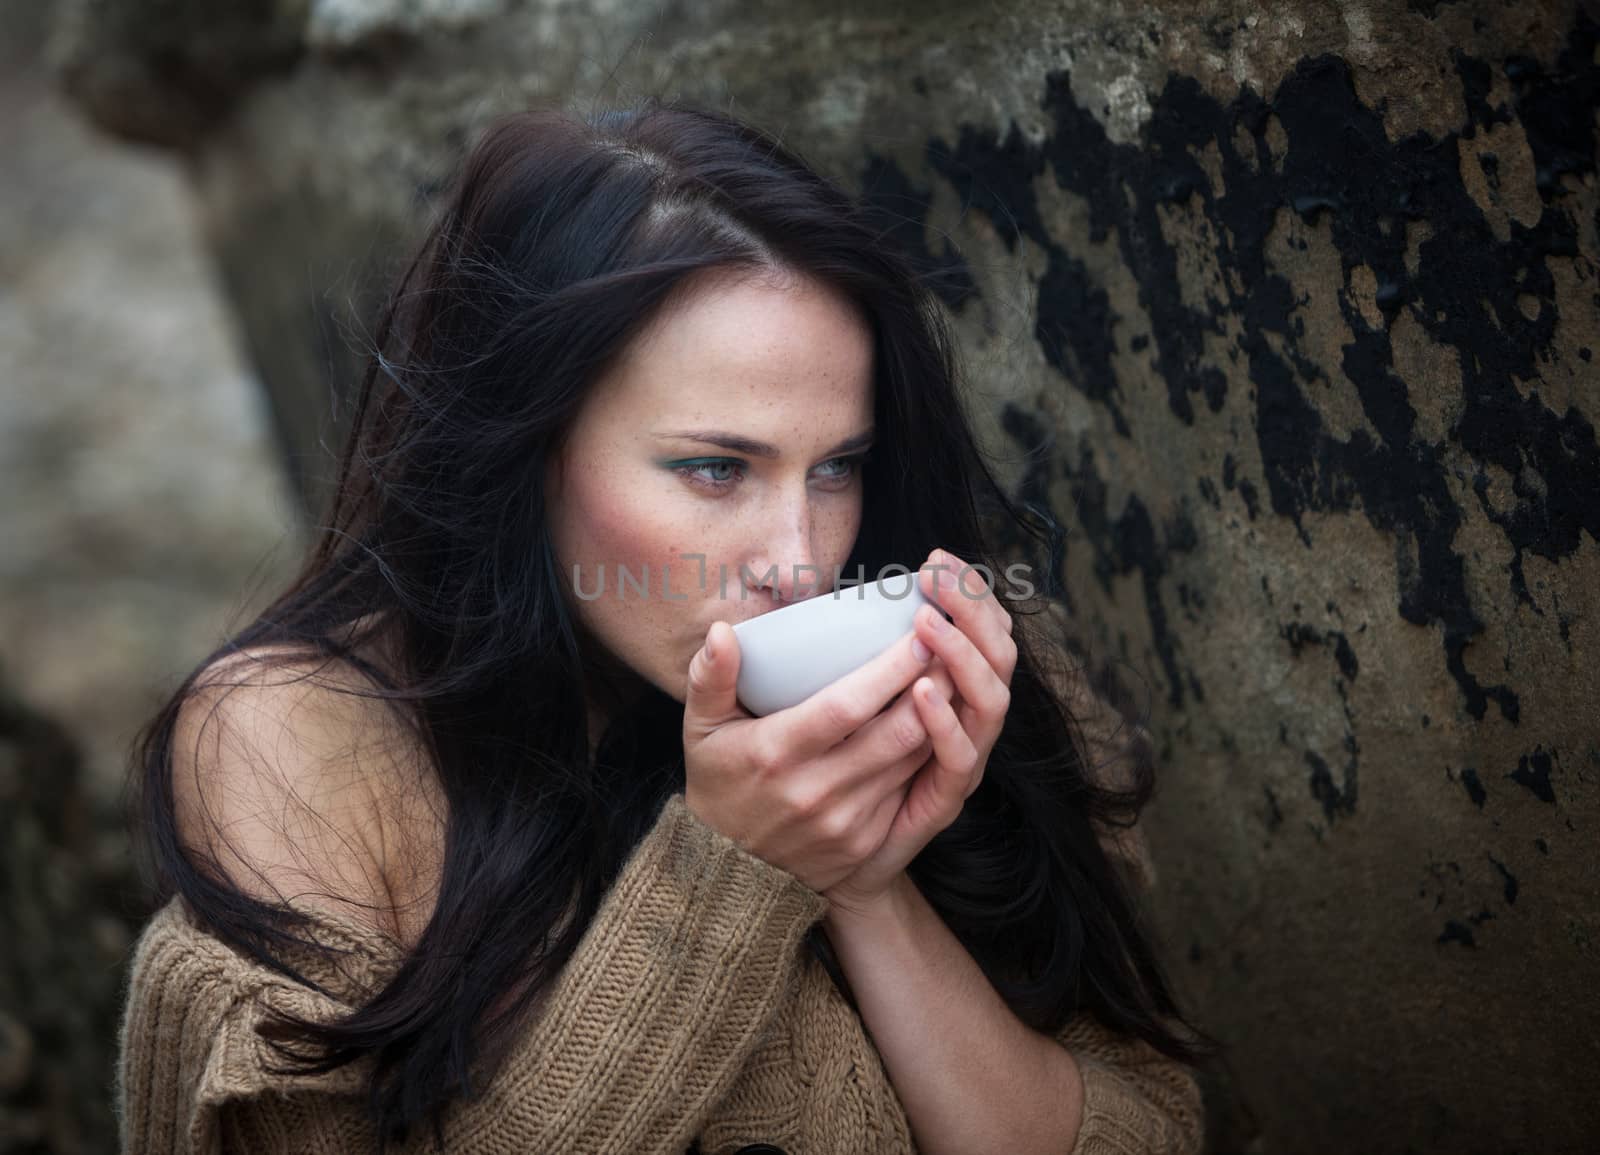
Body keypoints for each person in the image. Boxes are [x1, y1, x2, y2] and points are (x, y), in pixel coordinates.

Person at [114, 97, 1216, 1154]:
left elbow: (1153, 1133)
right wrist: (729, 873)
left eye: (838, 466)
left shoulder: (947, 663)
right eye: (713, 467)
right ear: (529, 451)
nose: (797, 558)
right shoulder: (297, 745)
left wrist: (862, 882)